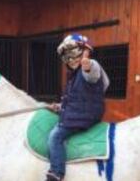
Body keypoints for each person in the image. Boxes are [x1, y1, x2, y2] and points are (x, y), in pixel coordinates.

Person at [46, 34, 110, 181]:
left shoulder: (89, 67)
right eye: (67, 56)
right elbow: (77, 100)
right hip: (81, 113)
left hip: (83, 116)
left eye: (74, 53)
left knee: (54, 137)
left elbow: (92, 74)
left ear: (86, 50)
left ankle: (56, 172)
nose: (71, 59)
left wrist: (87, 65)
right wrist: (60, 106)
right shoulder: (73, 76)